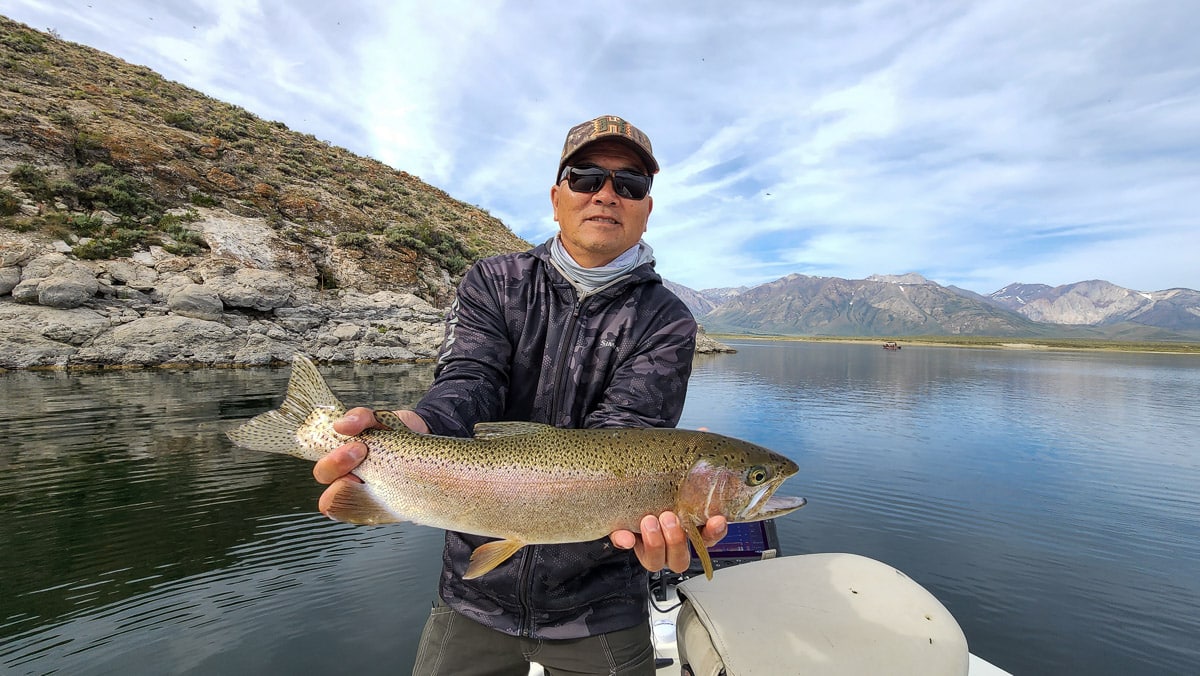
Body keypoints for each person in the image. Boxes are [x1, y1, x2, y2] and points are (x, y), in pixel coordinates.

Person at [313, 115, 728, 675]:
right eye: (586, 178)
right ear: (557, 198)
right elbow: (469, 382)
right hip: (472, 592)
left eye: (629, 185)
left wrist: (659, 490)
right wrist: (418, 427)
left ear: (646, 208)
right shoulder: (493, 280)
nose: (607, 195)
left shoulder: (667, 319)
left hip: (600, 602)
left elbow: (620, 437)